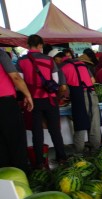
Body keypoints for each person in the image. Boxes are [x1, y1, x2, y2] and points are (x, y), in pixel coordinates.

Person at [17, 34, 67, 168]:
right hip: (49, 100)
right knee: (55, 130)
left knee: (37, 132)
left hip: (32, 100)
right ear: (40, 45)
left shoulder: (21, 61)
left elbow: (19, 83)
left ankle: (39, 163)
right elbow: (56, 82)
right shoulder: (49, 60)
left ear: (28, 45)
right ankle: (62, 158)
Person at [60, 49, 102, 155]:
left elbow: (63, 88)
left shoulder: (62, 67)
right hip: (92, 93)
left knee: (80, 123)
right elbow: (93, 81)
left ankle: (79, 152)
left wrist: (59, 97)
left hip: (78, 95)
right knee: (94, 123)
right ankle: (95, 150)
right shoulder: (82, 64)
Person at [0, 48, 33, 171]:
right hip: (5, 103)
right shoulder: (1, 53)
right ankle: (21, 178)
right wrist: (27, 95)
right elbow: (15, 77)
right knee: (16, 142)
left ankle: (5, 183)